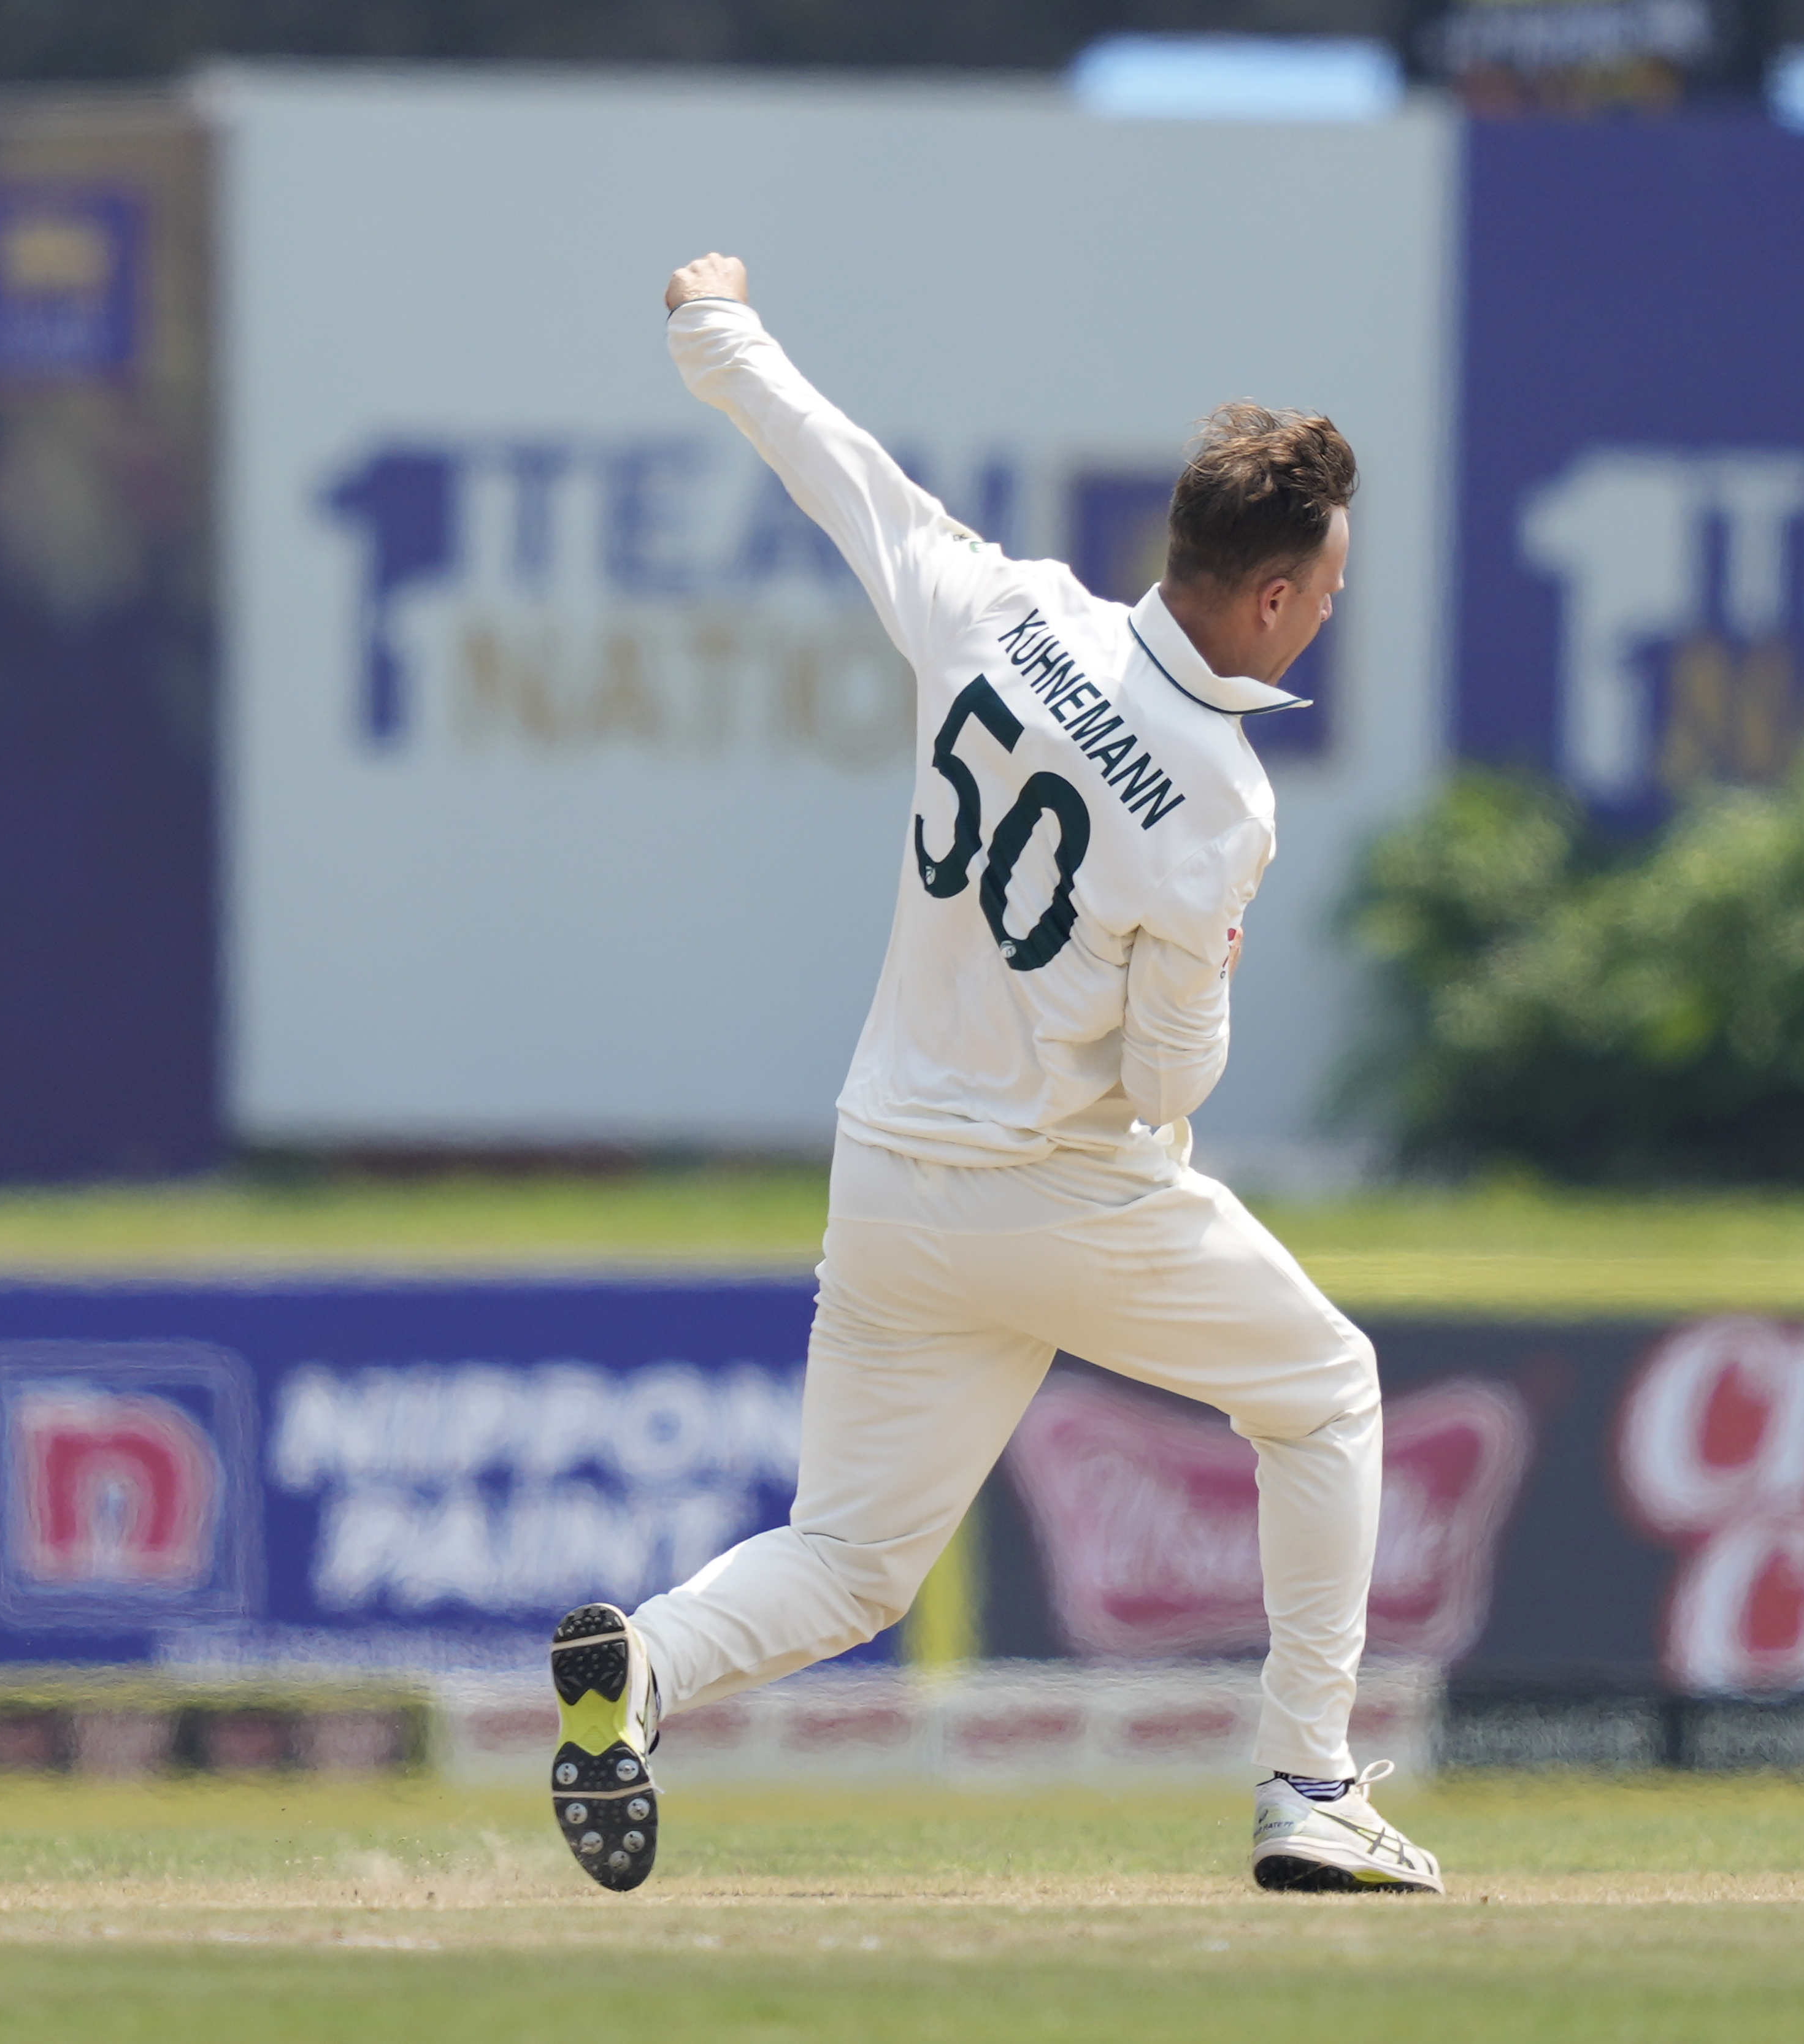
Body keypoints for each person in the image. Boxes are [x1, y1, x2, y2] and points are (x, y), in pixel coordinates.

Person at [546, 253, 1440, 1898]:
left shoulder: (1007, 608)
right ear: (1263, 596)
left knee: (850, 1559)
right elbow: (1166, 1089)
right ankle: (1310, 1779)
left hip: (888, 1172)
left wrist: (716, 329)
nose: (1329, 604)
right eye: (1324, 582)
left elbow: (848, 482)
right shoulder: (1221, 798)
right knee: (1325, 1390)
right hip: (1063, 1189)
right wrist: (1207, 980)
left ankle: (643, 1670)